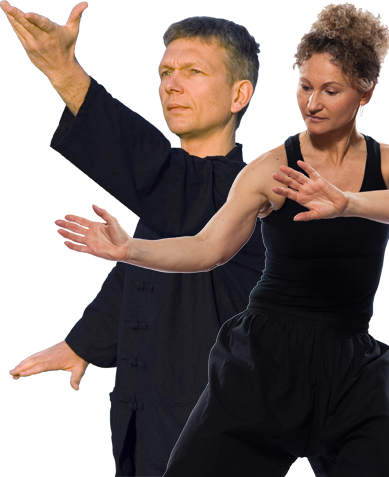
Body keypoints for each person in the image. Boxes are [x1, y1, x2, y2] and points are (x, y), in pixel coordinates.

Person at [54, 3, 389, 476]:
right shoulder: (271, 169)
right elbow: (207, 247)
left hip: (351, 366)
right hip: (264, 361)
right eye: (305, 86)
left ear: (364, 93)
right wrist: (129, 249)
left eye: (330, 90)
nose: (313, 103)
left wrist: (348, 204)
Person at [1, 1, 267, 475]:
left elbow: (164, 178)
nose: (172, 84)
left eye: (193, 71)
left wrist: (65, 74)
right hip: (144, 426)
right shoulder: (174, 198)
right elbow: (136, 276)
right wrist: (84, 344)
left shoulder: (248, 193)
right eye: (166, 71)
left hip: (215, 433)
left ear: (239, 94)